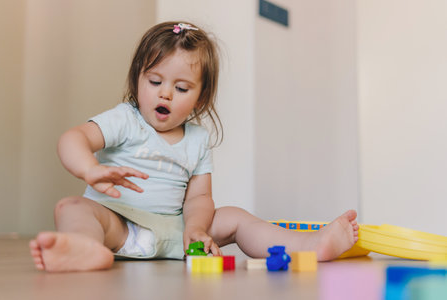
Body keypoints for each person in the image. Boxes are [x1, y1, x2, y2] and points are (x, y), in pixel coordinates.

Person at [29, 21, 359, 272]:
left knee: (234, 216)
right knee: (72, 207)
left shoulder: (198, 140)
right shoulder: (125, 119)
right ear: (137, 80)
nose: (165, 94)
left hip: (177, 232)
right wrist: (89, 168)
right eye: (155, 81)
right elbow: (73, 138)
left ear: (200, 98)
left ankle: (310, 245)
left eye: (181, 87)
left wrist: (197, 228)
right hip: (117, 225)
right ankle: (85, 249)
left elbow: (199, 198)